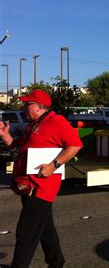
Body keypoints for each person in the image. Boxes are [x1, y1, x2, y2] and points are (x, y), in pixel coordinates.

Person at [0, 90, 83, 268]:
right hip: (28, 185)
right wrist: (6, 136)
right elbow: (18, 146)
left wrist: (53, 165)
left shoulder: (56, 121)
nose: (23, 107)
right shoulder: (34, 124)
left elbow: (75, 145)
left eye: (27, 104)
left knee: (26, 233)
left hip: (41, 187)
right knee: (45, 229)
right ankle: (56, 262)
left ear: (39, 107)